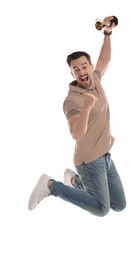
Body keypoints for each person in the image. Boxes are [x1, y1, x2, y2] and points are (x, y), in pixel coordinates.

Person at [28, 15, 126, 217]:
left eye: (84, 67)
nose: (81, 72)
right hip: (89, 161)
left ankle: (75, 181)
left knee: (119, 204)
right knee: (102, 208)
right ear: (72, 74)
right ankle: (51, 185)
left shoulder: (95, 80)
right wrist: (88, 107)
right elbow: (76, 133)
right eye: (76, 69)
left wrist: (107, 34)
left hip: (106, 156)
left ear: (90, 67)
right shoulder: (72, 100)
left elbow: (104, 60)